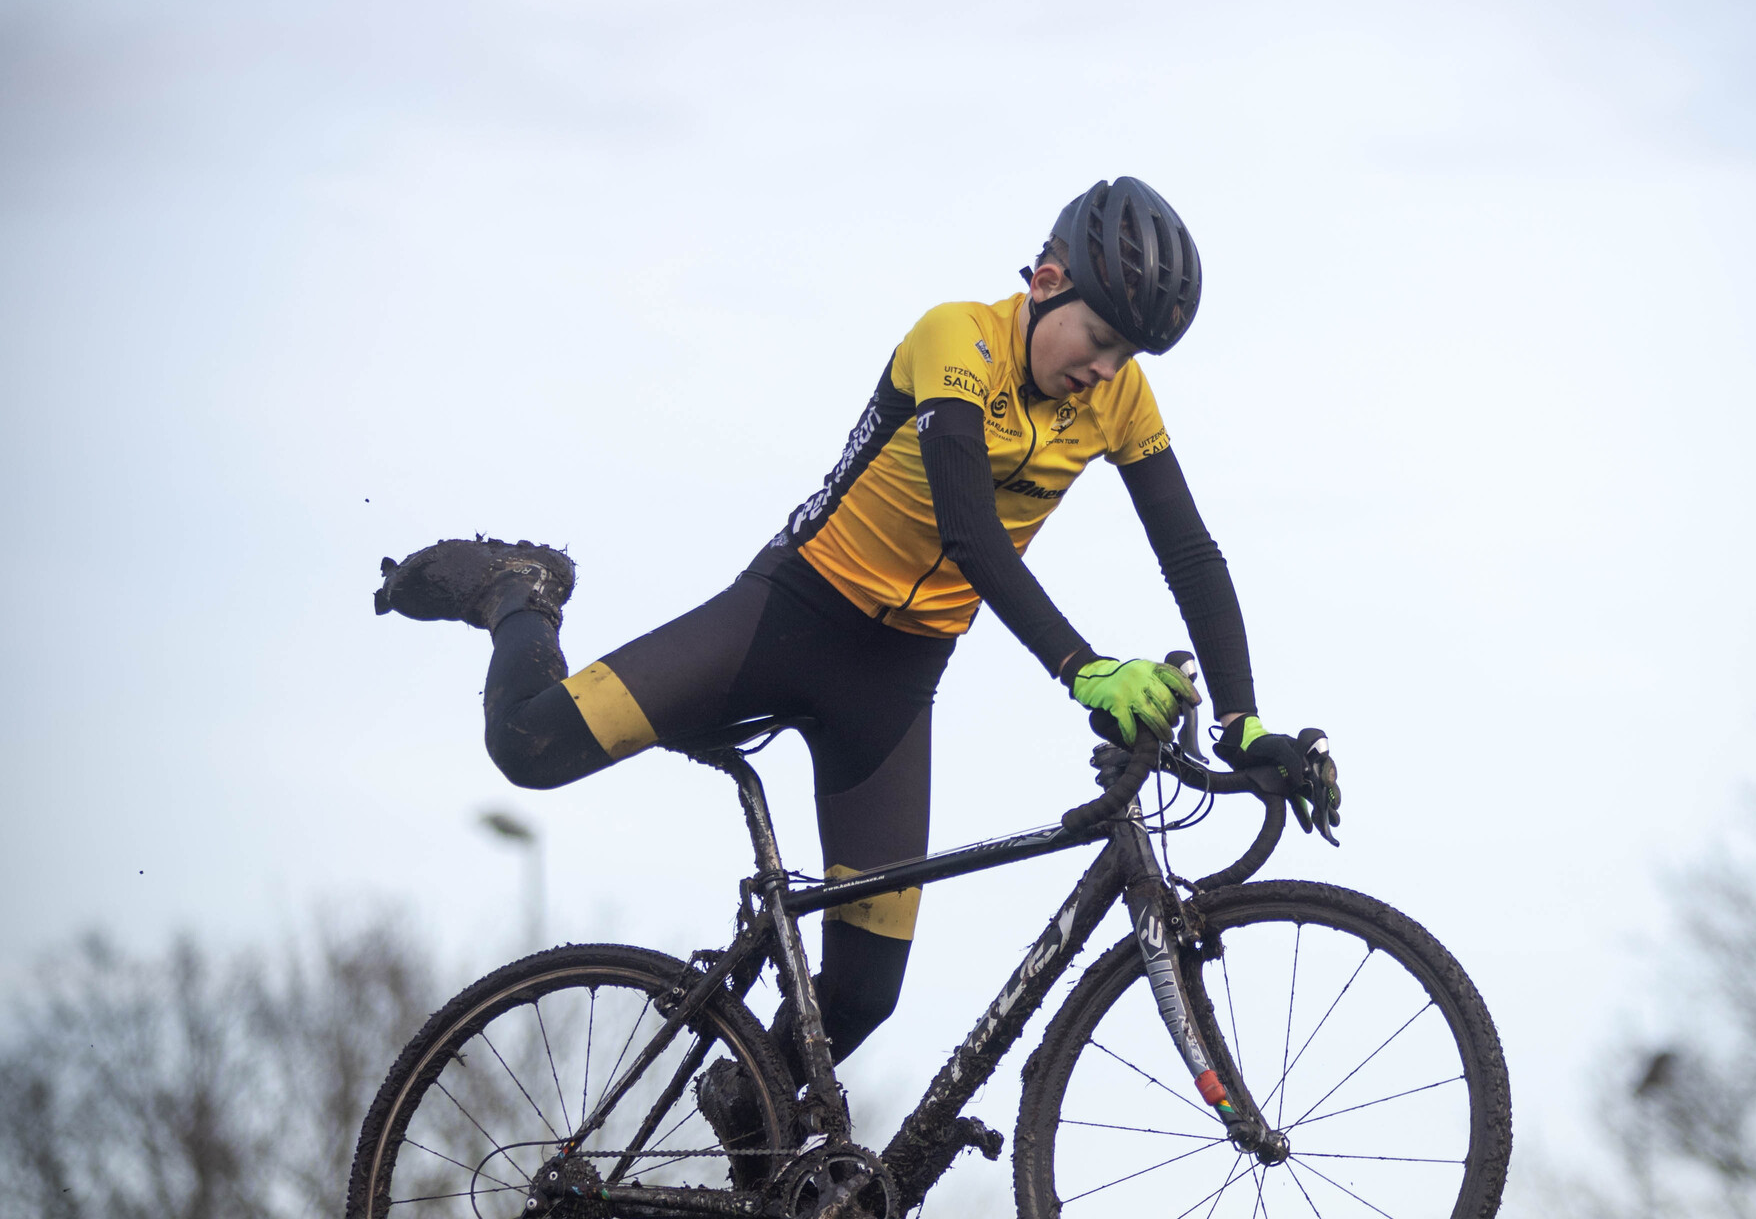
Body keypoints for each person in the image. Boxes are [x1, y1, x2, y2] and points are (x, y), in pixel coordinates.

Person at [374, 174, 1337, 1079]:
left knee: (865, 996)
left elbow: (1193, 559)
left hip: (894, 685)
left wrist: (1244, 722)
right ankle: (516, 589)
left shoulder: (1120, 401)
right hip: (785, 619)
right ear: (1047, 284)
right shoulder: (954, 340)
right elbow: (969, 531)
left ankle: (752, 1131)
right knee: (530, 744)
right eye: (1098, 337)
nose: (1105, 369)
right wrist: (1083, 669)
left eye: (1127, 354)